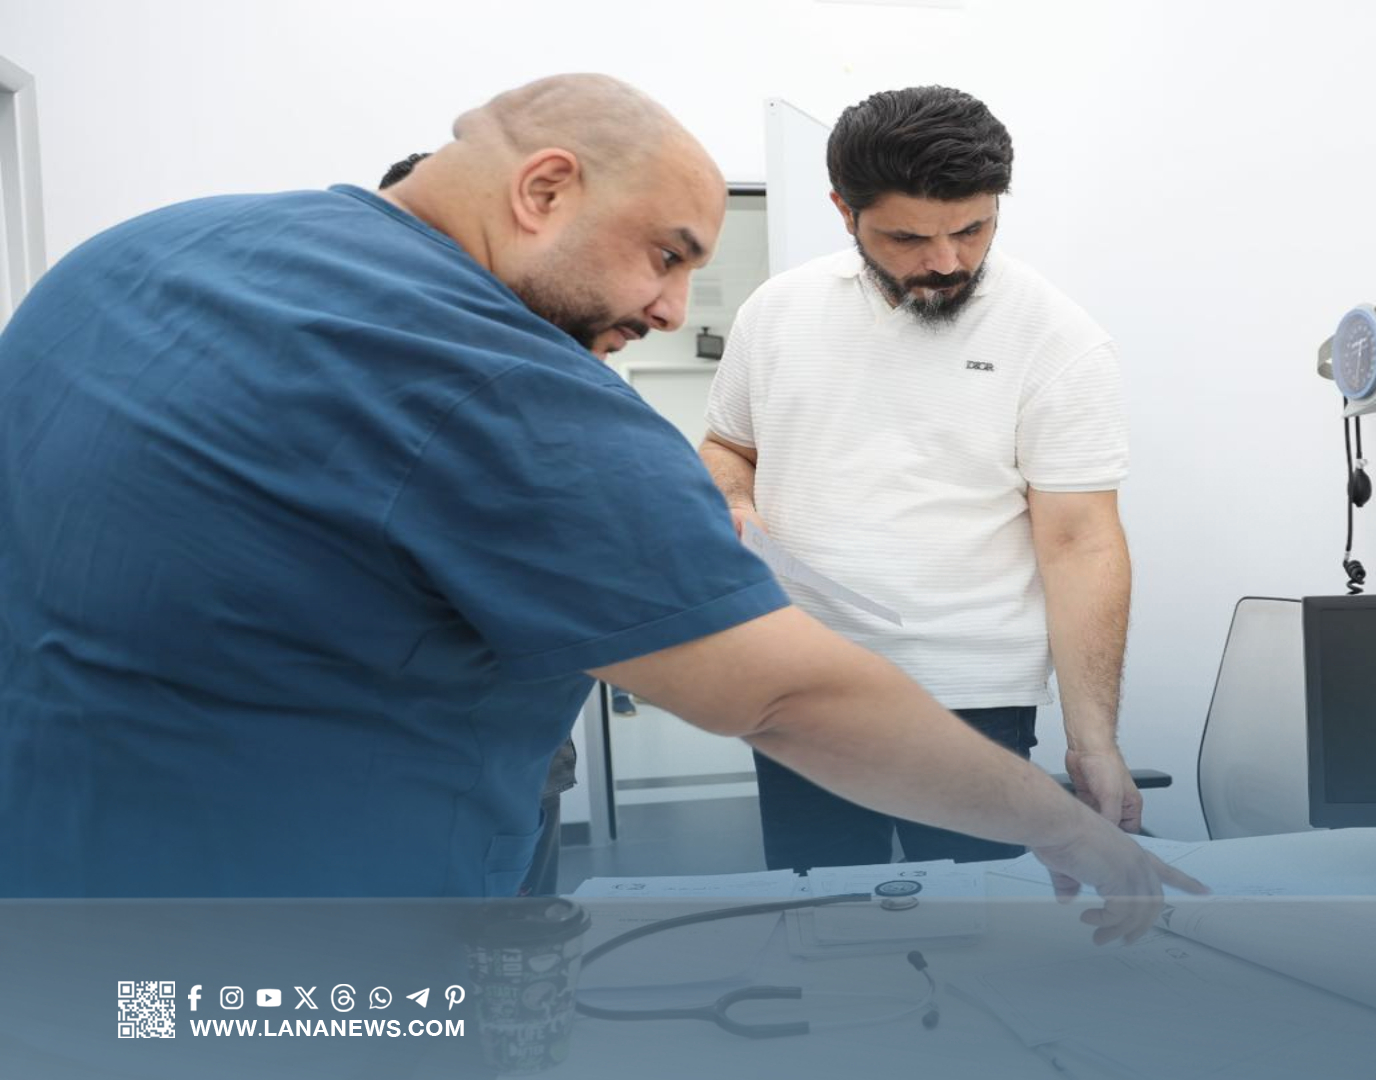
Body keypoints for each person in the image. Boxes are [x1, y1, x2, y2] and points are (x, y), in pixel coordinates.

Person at [0, 74, 1198, 941]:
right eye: (667, 255)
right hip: (322, 936)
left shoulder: (133, 255)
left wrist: (1082, 745)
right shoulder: (509, 386)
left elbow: (1079, 534)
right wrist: (1066, 828)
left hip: (58, 893)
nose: (674, 309)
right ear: (544, 189)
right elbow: (785, 693)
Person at [702, 86, 1142, 873]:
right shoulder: (775, 312)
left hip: (972, 695)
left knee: (982, 928)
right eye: (908, 237)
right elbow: (728, 446)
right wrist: (733, 500)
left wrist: (1095, 743)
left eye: (972, 229)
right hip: (801, 678)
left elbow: (1080, 543)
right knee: (825, 919)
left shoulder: (1058, 338)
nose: (946, 261)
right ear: (844, 212)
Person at [379, 148, 572, 898]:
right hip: (399, 760)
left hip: (519, 754)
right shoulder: (363, 379)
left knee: (522, 937)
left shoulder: (539, 369)